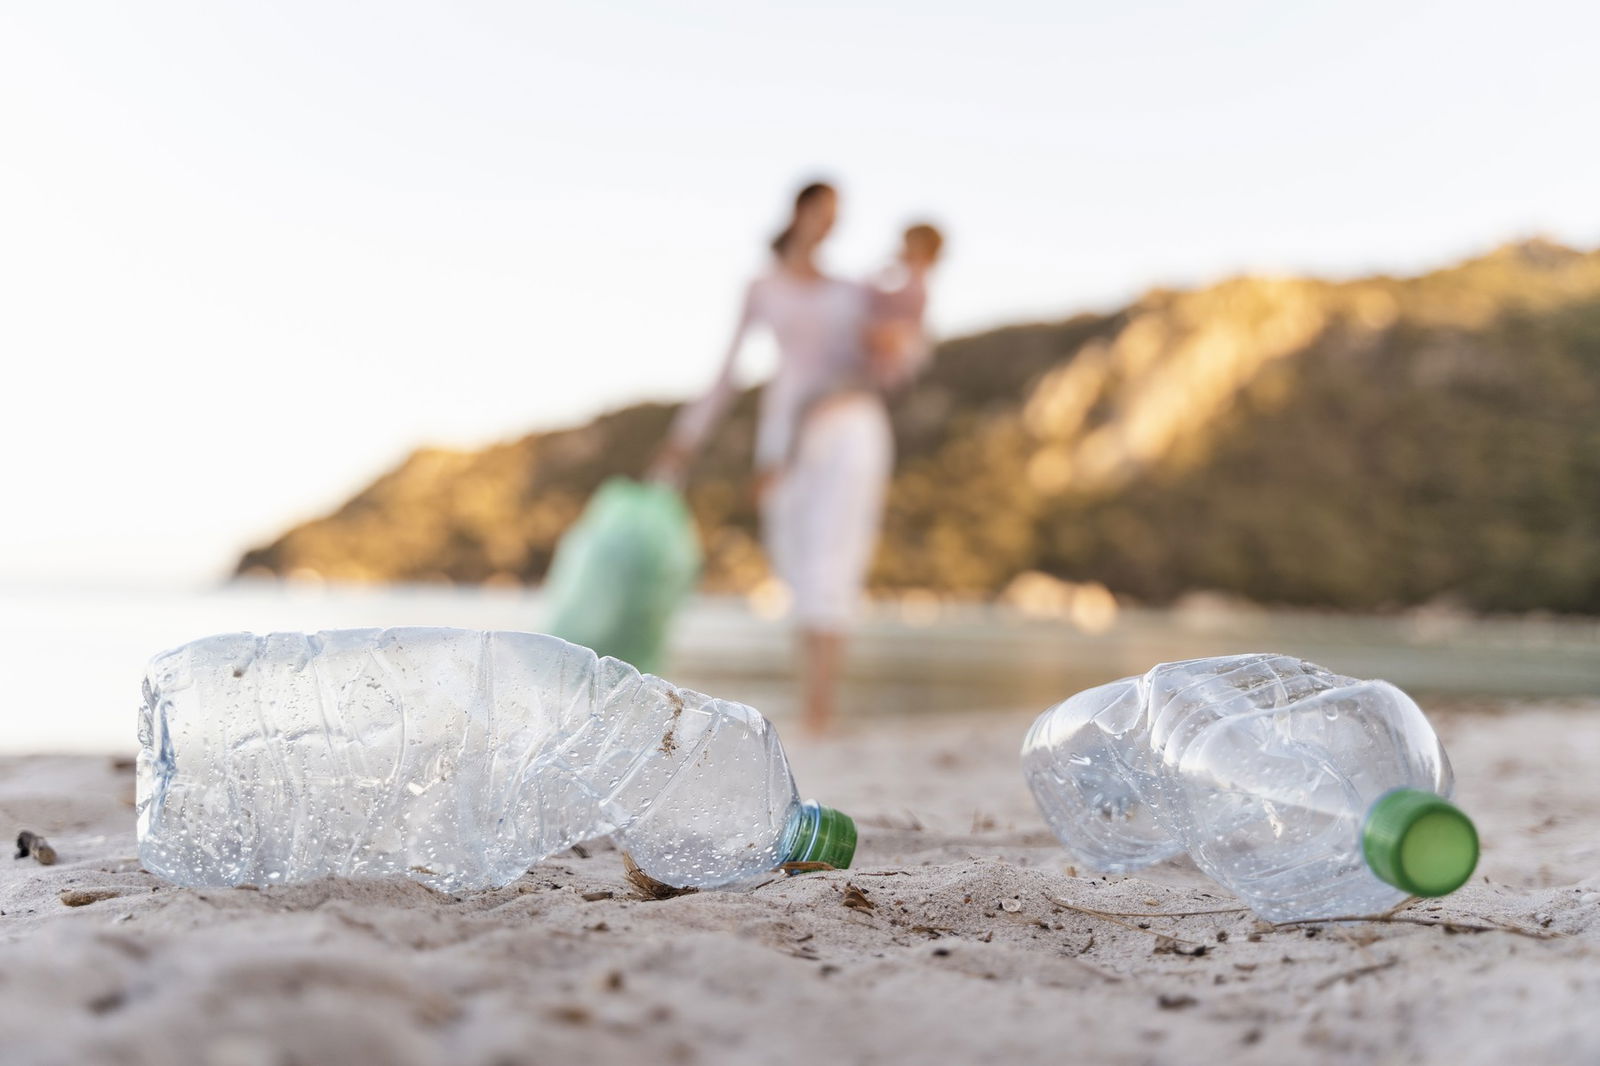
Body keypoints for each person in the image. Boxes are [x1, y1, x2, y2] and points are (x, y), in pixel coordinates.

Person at [653, 181, 930, 735]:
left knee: (836, 557)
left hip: (850, 423)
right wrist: (686, 436)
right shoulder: (763, 287)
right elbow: (726, 372)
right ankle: (813, 705)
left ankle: (818, 711)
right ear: (800, 212)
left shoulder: (855, 291)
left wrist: (898, 348)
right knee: (794, 560)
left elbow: (905, 360)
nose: (829, 224)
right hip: (784, 434)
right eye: (822, 212)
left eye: (837, 216)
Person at [865, 222, 943, 390]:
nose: (903, 247)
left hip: (888, 363)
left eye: (909, 242)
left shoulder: (915, 286)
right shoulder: (907, 280)